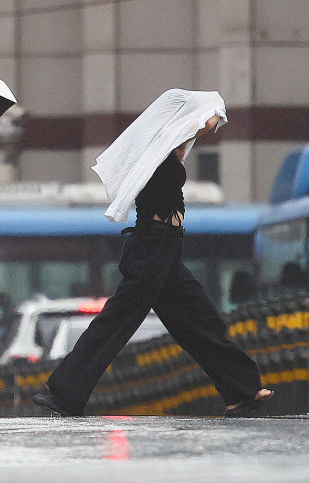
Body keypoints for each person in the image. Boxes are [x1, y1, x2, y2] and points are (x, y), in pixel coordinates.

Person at [34, 112, 272, 418]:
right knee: (116, 323)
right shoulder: (155, 156)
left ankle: (239, 394)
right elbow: (200, 126)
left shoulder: (173, 151)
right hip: (152, 248)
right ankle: (65, 395)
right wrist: (207, 113)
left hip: (167, 251)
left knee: (202, 321)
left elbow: (193, 134)